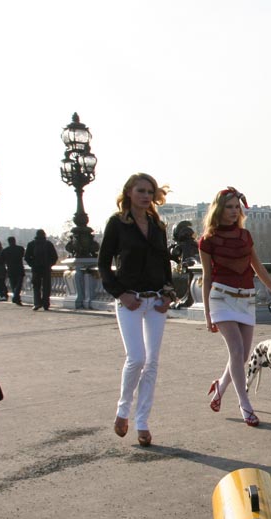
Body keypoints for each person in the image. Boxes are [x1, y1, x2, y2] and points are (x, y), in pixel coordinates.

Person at [199, 187, 271, 427]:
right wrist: (207, 315)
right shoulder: (207, 240)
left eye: (236, 207)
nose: (233, 211)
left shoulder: (245, 236)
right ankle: (245, 405)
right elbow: (207, 277)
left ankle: (220, 386)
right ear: (218, 210)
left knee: (241, 355)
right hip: (220, 298)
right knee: (237, 351)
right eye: (228, 207)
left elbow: (258, 268)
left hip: (245, 298)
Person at [97, 173, 176, 448]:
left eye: (150, 191)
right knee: (137, 358)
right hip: (129, 300)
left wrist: (168, 292)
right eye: (140, 190)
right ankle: (122, 411)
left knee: (152, 362)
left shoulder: (157, 224)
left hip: (155, 301)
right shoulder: (117, 224)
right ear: (129, 192)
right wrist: (120, 293)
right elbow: (103, 264)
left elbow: (165, 263)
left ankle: (142, 422)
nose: (145, 195)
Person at [24, 229, 59, 311]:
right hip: (46, 268)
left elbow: (26, 257)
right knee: (46, 287)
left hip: (36, 269)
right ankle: (46, 304)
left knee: (36, 286)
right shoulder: (48, 244)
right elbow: (55, 257)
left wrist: (32, 264)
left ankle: (37, 303)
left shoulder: (31, 244)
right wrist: (49, 264)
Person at [3, 236, 26, 305]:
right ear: (15, 241)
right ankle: (16, 297)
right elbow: (23, 256)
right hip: (19, 268)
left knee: (13, 285)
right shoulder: (20, 249)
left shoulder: (5, 250)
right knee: (19, 285)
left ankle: (16, 298)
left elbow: (1, 260)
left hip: (11, 269)